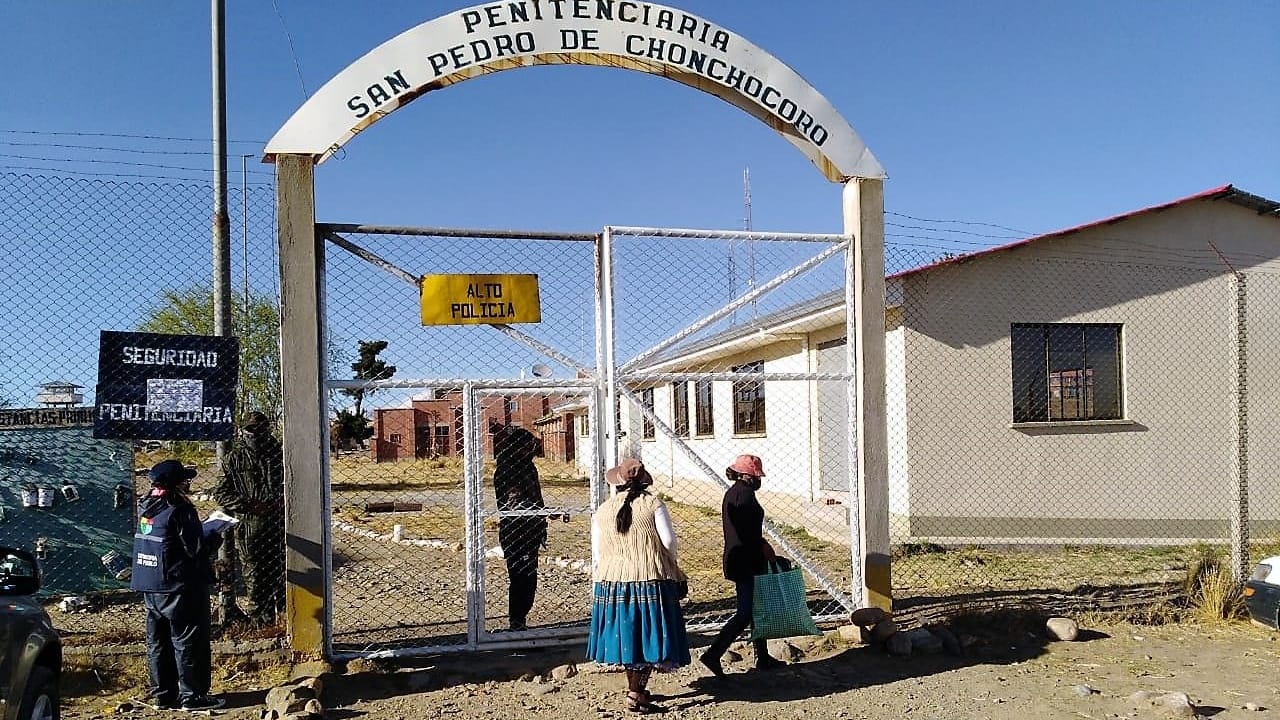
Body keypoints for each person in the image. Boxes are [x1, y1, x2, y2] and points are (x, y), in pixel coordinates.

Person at [587, 458, 689, 714]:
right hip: (648, 579)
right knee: (646, 638)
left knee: (628, 639)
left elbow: (597, 554)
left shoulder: (602, 511)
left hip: (612, 583)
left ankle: (637, 688)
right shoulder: (653, 504)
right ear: (644, 482)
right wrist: (670, 565)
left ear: (618, 482)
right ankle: (636, 694)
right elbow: (668, 542)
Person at [130, 459, 226, 712]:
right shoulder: (180, 508)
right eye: (185, 479)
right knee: (188, 640)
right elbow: (196, 548)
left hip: (150, 583)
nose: (188, 482)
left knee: (158, 642)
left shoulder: (147, 504)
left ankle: (163, 695)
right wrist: (215, 535)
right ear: (177, 483)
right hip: (179, 585)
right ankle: (193, 696)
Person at [699, 454, 784, 677]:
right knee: (745, 612)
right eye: (757, 476)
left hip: (743, 559)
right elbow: (747, 533)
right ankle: (713, 653)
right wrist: (764, 548)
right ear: (747, 475)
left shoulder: (738, 493)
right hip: (745, 560)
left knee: (755, 609)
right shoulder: (743, 496)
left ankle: (762, 656)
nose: (759, 480)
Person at [214, 411, 285, 626]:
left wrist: (284, 501)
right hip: (250, 527)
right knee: (255, 576)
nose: (256, 433)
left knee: (284, 575)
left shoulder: (281, 453)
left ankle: (285, 621)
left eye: (261, 428)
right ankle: (260, 624)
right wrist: (250, 505)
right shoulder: (234, 458)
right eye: (251, 429)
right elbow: (221, 492)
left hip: (282, 523)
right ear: (243, 431)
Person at [492, 425, 547, 631]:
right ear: (517, 447)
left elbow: (534, 498)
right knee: (519, 577)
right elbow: (514, 502)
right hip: (516, 530)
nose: (531, 449)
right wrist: (538, 512)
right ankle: (516, 621)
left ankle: (520, 619)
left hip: (532, 528)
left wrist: (541, 516)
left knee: (529, 576)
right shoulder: (508, 468)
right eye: (527, 446)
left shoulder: (528, 466)